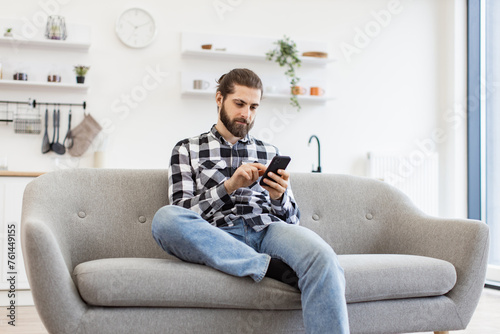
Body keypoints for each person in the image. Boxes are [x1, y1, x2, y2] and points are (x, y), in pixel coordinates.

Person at [152, 68, 349, 333]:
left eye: (254, 107)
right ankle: (269, 268)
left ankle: (262, 262)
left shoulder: (269, 151)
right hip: (219, 235)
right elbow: (181, 211)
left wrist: (279, 197)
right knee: (164, 219)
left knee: (323, 257)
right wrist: (230, 186)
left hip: (268, 230)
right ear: (220, 99)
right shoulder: (187, 149)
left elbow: (293, 220)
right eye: (240, 104)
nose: (247, 114)